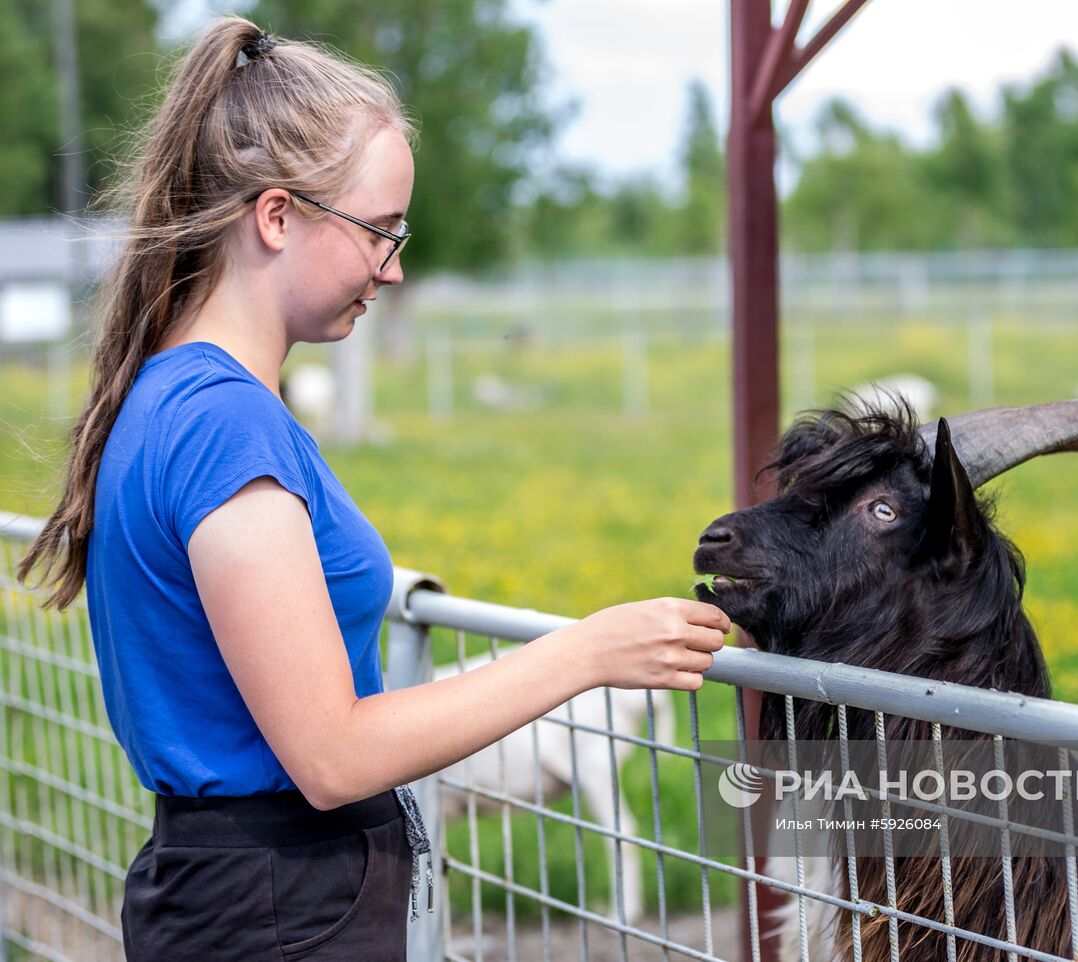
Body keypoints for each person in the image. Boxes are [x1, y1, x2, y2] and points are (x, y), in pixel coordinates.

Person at [16, 17, 730, 961]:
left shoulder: (170, 397)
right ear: (276, 217)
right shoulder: (223, 424)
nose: (392, 268)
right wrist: (587, 650)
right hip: (284, 910)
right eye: (378, 232)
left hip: (243, 896)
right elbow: (331, 755)